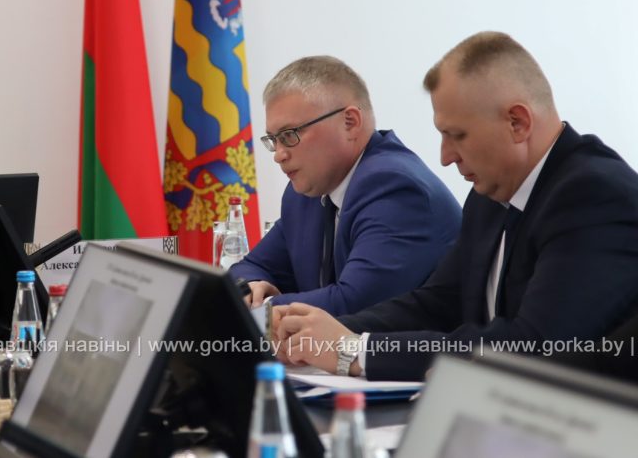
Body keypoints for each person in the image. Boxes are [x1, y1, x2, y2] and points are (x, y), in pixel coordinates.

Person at [273, 32, 638, 381]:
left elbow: (533, 347)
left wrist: (355, 351)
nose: (445, 157)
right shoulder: (489, 196)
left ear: (518, 122)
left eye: (457, 135)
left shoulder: (593, 195)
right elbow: (437, 304)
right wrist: (321, 334)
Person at [229, 56, 461, 315]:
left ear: (350, 122)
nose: (279, 155)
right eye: (274, 140)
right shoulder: (306, 193)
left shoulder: (395, 188)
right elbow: (250, 267)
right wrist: (252, 287)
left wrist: (263, 308)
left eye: (289, 135)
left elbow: (351, 304)